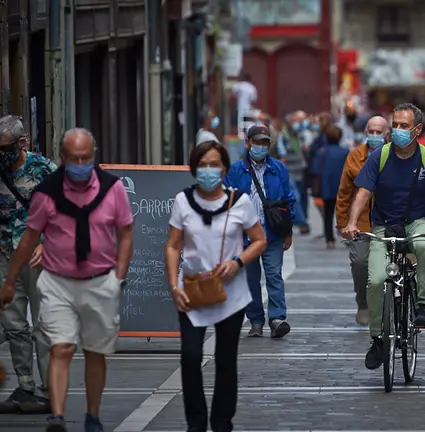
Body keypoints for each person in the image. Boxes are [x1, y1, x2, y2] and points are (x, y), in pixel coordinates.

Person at [0, 128, 133, 432]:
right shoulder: (47, 191)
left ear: (94, 155)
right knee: (60, 347)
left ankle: (93, 415)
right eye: (73, 158)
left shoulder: (112, 189)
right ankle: (57, 416)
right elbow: (30, 236)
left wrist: (119, 277)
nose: (80, 163)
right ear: (62, 157)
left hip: (100, 280)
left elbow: (125, 234)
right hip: (57, 281)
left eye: (85, 157)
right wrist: (9, 280)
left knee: (95, 352)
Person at [165, 138, 267, 432]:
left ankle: (222, 422)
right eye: (203, 165)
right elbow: (173, 245)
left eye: (214, 165)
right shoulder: (183, 201)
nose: (208, 170)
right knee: (190, 356)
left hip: (230, 293)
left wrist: (237, 262)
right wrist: (173, 286)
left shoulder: (240, 202)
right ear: (194, 168)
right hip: (192, 290)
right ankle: (195, 423)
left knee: (225, 359)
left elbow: (259, 240)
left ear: (224, 168)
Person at [340, 103, 425, 370]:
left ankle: (424, 305)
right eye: (395, 125)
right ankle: (378, 338)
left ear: (417, 130)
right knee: (376, 280)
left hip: (417, 221)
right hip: (383, 225)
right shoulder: (380, 157)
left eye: (403, 126)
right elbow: (363, 192)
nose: (397, 130)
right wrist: (352, 223)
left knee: (424, 246)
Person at [0, 116, 56, 414]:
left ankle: (49, 391)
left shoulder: (43, 169)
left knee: (44, 325)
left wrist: (47, 243)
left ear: (22, 142)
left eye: (5, 148)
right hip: (5, 256)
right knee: (14, 325)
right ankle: (25, 386)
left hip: (37, 256)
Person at [224, 125, 296, 339]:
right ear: (248, 143)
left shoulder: (278, 168)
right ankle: (256, 320)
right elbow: (227, 201)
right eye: (257, 142)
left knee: (274, 276)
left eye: (265, 143)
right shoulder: (236, 170)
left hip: (272, 233)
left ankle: (277, 319)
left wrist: (288, 231)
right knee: (250, 279)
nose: (260, 146)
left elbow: (288, 199)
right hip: (245, 237)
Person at [335, 116, 389, 326]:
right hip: (361, 223)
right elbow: (344, 192)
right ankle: (363, 302)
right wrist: (343, 223)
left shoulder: (396, 155)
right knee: (359, 262)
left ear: (387, 134)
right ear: (365, 132)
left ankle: (394, 303)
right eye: (371, 131)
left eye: (378, 132)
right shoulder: (355, 156)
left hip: (389, 221)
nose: (374, 135)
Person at [311, 125, 348, 248]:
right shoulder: (345, 152)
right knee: (344, 212)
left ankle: (329, 239)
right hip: (343, 187)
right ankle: (345, 234)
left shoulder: (321, 152)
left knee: (327, 214)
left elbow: (315, 169)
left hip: (326, 187)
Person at [278, 112, 310, 234]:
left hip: (301, 170)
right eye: (295, 121)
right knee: (296, 196)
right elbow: (282, 154)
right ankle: (302, 222)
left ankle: (300, 219)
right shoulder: (283, 136)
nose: (298, 124)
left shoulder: (301, 135)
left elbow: (305, 148)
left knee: (302, 196)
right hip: (290, 170)